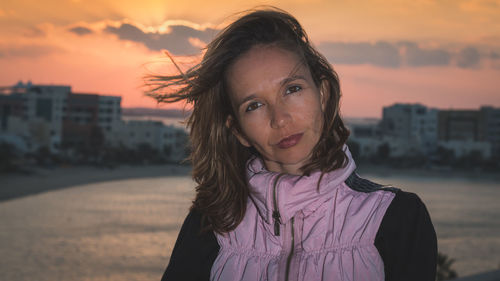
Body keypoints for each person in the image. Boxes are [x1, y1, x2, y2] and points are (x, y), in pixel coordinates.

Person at [148, 7, 437, 281]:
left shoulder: (396, 218)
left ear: (322, 94)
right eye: (255, 105)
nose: (280, 119)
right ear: (238, 130)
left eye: (292, 89)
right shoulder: (209, 227)